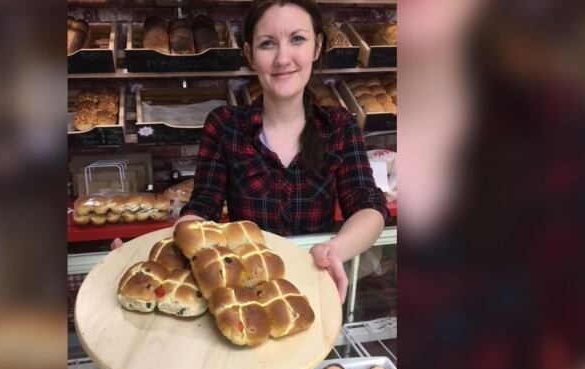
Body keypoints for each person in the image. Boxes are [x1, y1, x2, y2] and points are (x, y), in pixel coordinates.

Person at [115, 0, 388, 302]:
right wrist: (157, 258)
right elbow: (203, 207)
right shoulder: (225, 126)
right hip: (245, 292)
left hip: (314, 281)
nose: (283, 58)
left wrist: (333, 249)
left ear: (317, 47)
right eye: (268, 44)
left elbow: (368, 205)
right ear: (249, 55)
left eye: (297, 39)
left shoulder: (339, 127)